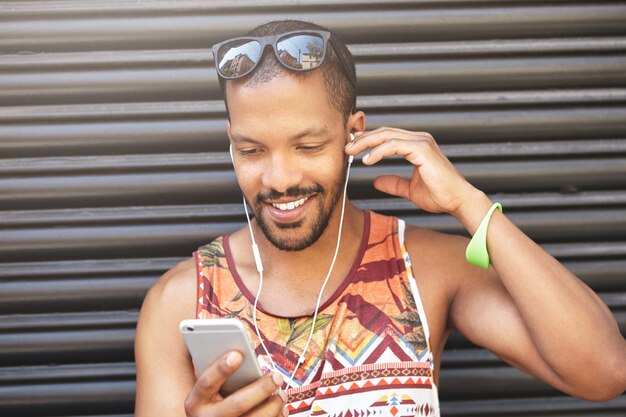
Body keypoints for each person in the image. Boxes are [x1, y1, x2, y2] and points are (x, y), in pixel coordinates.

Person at [134, 20, 626, 417]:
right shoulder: (180, 303)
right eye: (251, 150)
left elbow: (604, 372)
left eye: (308, 146)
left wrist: (470, 205)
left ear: (354, 134)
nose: (278, 178)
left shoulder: (424, 268)